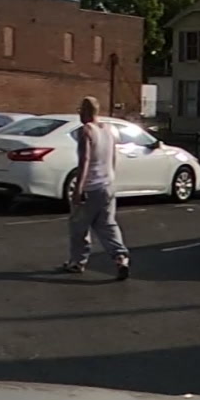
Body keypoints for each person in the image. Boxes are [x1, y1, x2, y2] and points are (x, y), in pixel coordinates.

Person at [63, 94, 133, 280]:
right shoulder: (108, 130)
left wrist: (78, 188)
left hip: (90, 187)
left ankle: (77, 262)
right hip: (107, 185)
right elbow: (113, 157)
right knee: (108, 225)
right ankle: (120, 257)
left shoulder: (86, 130)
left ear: (85, 111)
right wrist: (111, 178)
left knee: (79, 226)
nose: (79, 114)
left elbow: (84, 160)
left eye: (80, 110)